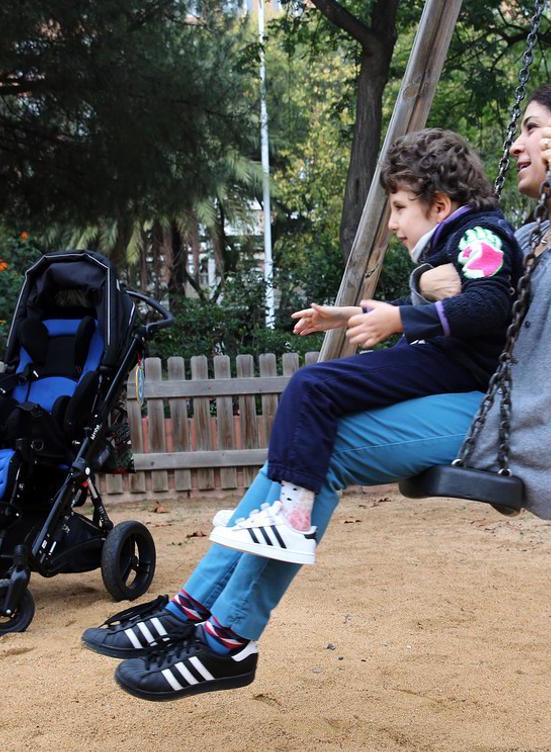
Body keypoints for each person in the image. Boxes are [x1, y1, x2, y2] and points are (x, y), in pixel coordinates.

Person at [81, 77, 551, 701]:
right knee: (312, 433)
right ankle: (195, 613)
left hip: (524, 423)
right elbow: (465, 302)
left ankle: (225, 639)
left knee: (325, 443)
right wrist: (406, 298)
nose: (517, 145)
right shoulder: (529, 234)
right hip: (479, 398)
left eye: (532, 128)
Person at [208, 128, 521, 567]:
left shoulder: (480, 237)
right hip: (446, 363)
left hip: (459, 370)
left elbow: (489, 303)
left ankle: (291, 520)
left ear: (440, 205)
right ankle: (275, 512)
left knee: (314, 386)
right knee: (322, 390)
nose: (392, 224)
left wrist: (399, 320)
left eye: (398, 208)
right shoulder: (467, 236)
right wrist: (350, 314)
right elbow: (456, 305)